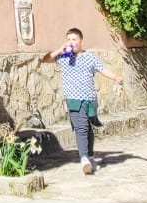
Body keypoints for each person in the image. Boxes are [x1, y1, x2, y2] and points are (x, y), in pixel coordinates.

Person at [42, 27, 125, 175]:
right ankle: (84, 159)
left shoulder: (90, 57)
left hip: (90, 99)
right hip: (73, 99)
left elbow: (102, 69)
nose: (71, 42)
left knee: (89, 129)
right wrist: (59, 50)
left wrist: (116, 77)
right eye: (68, 39)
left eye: (74, 39)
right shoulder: (63, 57)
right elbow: (46, 59)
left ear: (81, 41)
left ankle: (90, 157)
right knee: (81, 128)